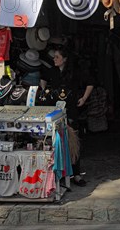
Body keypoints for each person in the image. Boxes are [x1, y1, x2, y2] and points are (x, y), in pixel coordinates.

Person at [40, 47, 93, 187]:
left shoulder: (75, 72)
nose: (54, 59)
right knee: (57, 141)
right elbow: (43, 80)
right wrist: (45, 92)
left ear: (64, 59)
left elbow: (90, 83)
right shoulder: (52, 71)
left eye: (57, 57)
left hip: (71, 109)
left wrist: (83, 98)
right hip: (55, 111)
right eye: (54, 57)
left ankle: (76, 174)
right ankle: (62, 173)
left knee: (73, 141)